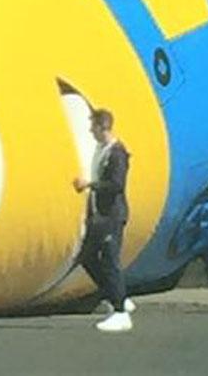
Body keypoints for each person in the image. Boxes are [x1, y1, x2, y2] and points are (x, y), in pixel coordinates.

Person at [72, 108, 135, 333]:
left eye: (93, 127)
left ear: (102, 127)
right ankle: (116, 295)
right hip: (98, 215)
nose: (91, 131)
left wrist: (89, 185)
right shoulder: (101, 150)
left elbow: (116, 185)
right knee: (87, 257)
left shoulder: (117, 153)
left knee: (110, 260)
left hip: (112, 216)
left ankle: (120, 312)